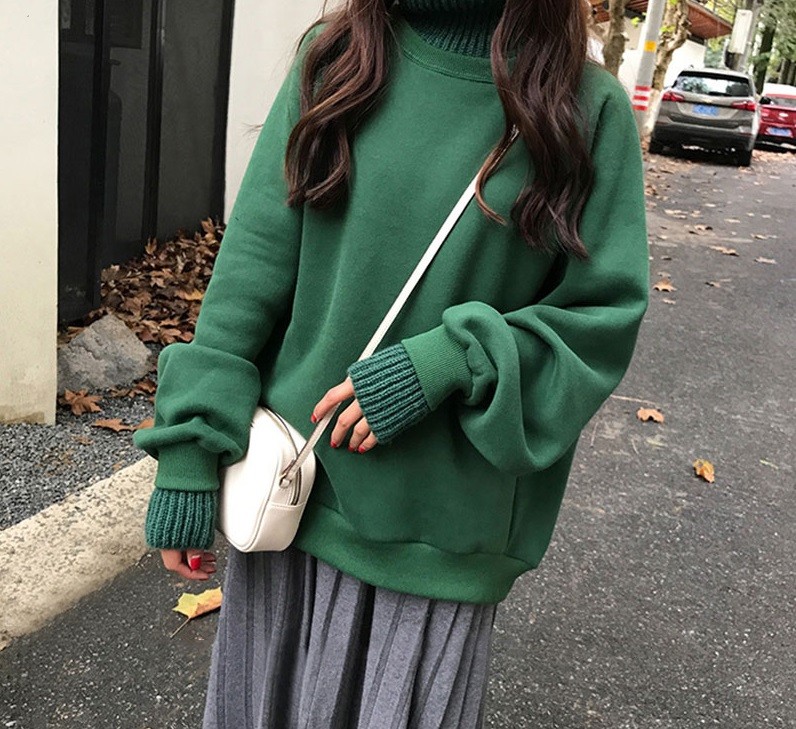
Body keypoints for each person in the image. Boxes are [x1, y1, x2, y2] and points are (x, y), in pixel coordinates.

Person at [132, 0, 649, 726]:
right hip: (293, 507)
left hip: (439, 542)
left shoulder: (585, 110)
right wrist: (189, 449)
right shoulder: (338, 59)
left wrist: (451, 360)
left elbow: (598, 322)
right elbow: (250, 272)